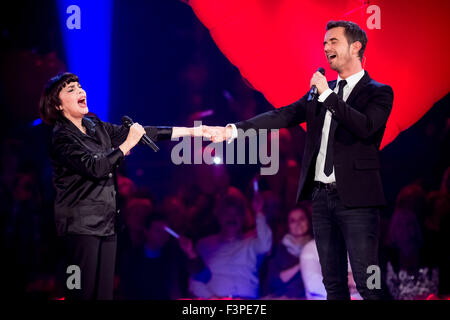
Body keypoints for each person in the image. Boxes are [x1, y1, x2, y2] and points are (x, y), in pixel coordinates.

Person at [204, 20, 394, 299]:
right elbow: (283, 115)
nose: (326, 47)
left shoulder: (378, 92)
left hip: (358, 200)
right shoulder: (320, 92)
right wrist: (234, 129)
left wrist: (327, 95)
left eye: (334, 41)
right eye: (324, 43)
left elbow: (365, 127)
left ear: (356, 47)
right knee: (333, 284)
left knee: (369, 282)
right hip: (321, 197)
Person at [39, 72, 202, 300]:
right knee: (79, 292)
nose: (80, 91)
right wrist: (126, 145)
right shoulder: (61, 137)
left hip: (106, 224)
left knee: (104, 295)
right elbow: (95, 167)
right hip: (79, 227)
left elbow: (145, 133)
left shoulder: (94, 125)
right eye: (71, 89)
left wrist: (193, 132)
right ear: (57, 105)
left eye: (79, 86)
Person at [188, 187, 272, 299]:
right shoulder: (205, 244)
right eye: (227, 214)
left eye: (236, 214)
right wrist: (212, 297)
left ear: (242, 218)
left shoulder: (251, 243)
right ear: (219, 216)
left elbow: (265, 245)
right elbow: (195, 282)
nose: (232, 218)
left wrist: (259, 212)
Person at [263, 205, 312, 299]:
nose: (298, 223)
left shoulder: (317, 248)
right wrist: (299, 265)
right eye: (293, 221)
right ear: (288, 225)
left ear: (308, 222)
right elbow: (272, 282)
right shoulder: (278, 249)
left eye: (302, 219)